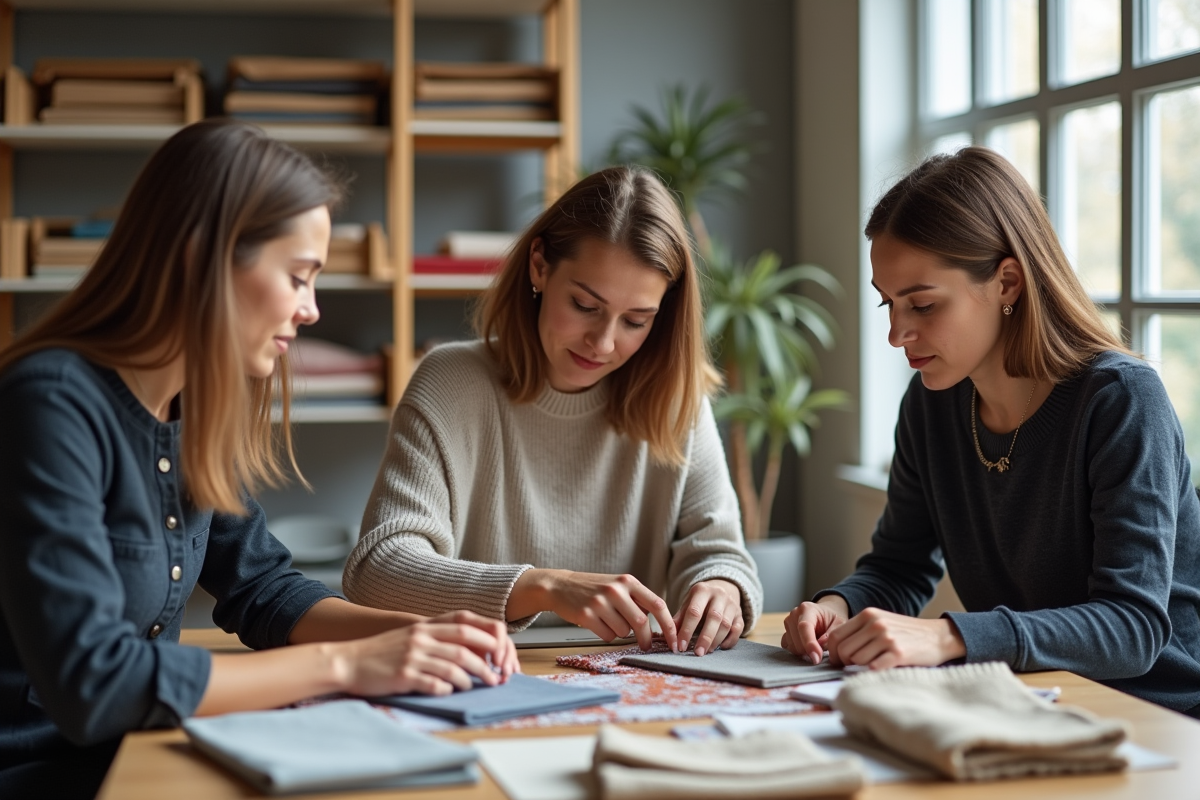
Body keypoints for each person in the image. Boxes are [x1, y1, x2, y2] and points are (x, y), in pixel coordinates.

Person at [0, 119, 518, 798]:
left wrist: (425, 635)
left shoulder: (191, 410)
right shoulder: (48, 406)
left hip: (134, 757)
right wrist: (348, 665)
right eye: (300, 277)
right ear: (202, 260)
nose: (311, 310)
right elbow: (97, 685)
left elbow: (264, 590)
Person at [781, 146, 1200, 716]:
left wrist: (948, 637)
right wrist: (839, 605)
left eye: (922, 304)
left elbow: (1132, 628)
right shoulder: (930, 405)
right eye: (889, 304)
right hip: (1024, 704)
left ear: (1007, 282)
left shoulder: (1120, 399)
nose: (896, 333)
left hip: (1153, 717)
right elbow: (900, 566)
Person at [342, 166, 763, 656]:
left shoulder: (678, 399)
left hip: (633, 684)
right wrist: (542, 587)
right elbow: (377, 570)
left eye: (636, 320)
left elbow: (720, 554)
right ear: (539, 265)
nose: (603, 342)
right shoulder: (450, 382)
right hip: (483, 675)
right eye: (585, 305)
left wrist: (723, 588)